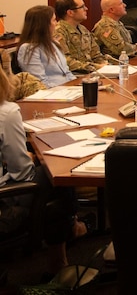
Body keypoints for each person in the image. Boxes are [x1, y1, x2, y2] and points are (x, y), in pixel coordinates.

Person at [0, 63, 87, 276]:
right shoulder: (6, 113)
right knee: (56, 167)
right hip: (4, 203)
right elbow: (22, 174)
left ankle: (70, 227)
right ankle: (66, 240)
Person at [17, 6, 76, 88]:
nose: (56, 23)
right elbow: (40, 82)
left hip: (68, 90)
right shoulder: (28, 49)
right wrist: (65, 89)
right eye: (54, 20)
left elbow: (67, 72)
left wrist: (79, 86)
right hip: (52, 94)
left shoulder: (54, 43)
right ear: (43, 25)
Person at [54, 0, 107, 74]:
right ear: (70, 12)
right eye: (82, 7)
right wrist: (94, 67)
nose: (86, 8)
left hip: (92, 72)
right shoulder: (59, 31)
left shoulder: (83, 29)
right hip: (75, 75)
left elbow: (96, 55)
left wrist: (105, 65)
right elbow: (65, 60)